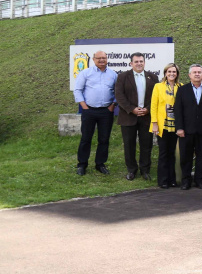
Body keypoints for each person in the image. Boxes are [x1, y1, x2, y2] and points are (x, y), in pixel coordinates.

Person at [115, 52, 159, 181]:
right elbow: (119, 96)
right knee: (129, 145)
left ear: (144, 63)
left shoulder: (153, 77)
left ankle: (145, 170)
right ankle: (131, 170)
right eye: (136, 61)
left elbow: (156, 97)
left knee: (146, 145)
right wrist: (132, 109)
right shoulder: (122, 77)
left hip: (146, 116)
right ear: (131, 63)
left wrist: (148, 109)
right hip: (128, 117)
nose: (139, 63)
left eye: (141, 61)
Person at [73, 51, 118, 176]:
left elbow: (118, 92)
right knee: (86, 138)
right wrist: (84, 107)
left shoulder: (113, 74)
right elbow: (78, 90)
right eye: (99, 58)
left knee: (104, 139)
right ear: (93, 59)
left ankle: (100, 164)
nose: (101, 60)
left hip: (106, 111)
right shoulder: (86, 73)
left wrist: (113, 105)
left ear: (107, 59)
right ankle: (82, 164)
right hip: (89, 111)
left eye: (104, 58)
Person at [174, 64, 202, 190]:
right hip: (186, 130)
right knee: (185, 157)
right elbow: (178, 110)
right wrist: (179, 128)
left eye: (199, 72)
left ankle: (200, 180)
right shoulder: (183, 90)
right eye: (194, 72)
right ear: (189, 75)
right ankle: (186, 181)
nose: (197, 74)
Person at [150, 63, 180, 188]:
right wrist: (154, 123)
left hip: (176, 125)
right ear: (165, 73)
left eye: (174, 72)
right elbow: (154, 106)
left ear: (177, 74)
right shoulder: (158, 86)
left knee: (172, 153)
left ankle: (172, 179)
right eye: (169, 72)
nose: (171, 74)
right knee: (163, 153)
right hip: (162, 125)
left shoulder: (181, 87)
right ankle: (163, 180)